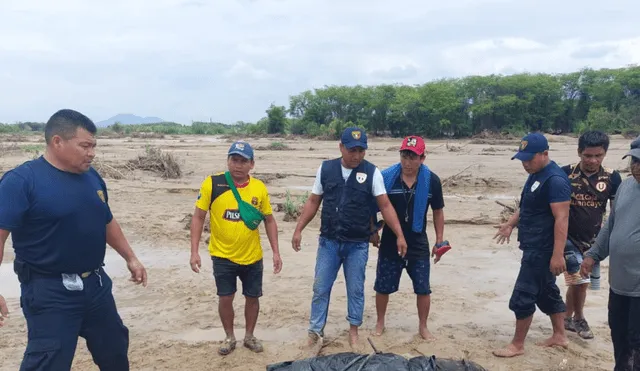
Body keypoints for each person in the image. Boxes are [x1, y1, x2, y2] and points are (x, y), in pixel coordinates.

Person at [0, 109, 148, 371]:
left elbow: (106, 220)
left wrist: (131, 257)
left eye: (94, 146)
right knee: (49, 360)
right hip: (49, 290)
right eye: (85, 146)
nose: (92, 153)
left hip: (96, 285)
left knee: (114, 349)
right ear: (57, 142)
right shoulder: (22, 181)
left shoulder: (91, 176)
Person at [291, 127, 407, 353]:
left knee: (355, 289)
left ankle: (353, 331)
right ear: (341, 147)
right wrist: (298, 229)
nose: (357, 155)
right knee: (320, 287)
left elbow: (385, 205)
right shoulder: (326, 169)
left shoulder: (372, 173)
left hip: (357, 244)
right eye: (352, 150)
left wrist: (400, 235)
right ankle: (315, 332)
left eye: (361, 150)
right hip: (329, 242)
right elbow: (314, 201)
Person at [189, 140, 282, 356]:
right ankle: (229, 337)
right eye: (234, 160)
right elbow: (198, 217)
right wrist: (194, 251)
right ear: (228, 161)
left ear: (252, 164)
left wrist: (276, 252)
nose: (237, 165)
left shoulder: (259, 187)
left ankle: (249, 336)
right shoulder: (212, 184)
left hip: (253, 256)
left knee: (253, 297)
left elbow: (269, 220)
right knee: (225, 297)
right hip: (222, 256)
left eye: (243, 161)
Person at [492, 132, 571, 358]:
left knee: (523, 294)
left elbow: (562, 219)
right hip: (533, 244)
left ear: (545, 154)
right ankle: (560, 335)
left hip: (542, 249)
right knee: (546, 291)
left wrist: (558, 255)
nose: (525, 164)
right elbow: (527, 206)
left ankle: (517, 344)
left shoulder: (555, 180)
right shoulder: (536, 174)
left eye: (529, 159)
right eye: (522, 159)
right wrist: (510, 224)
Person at [370, 135, 447, 341]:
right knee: (382, 286)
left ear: (423, 158)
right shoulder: (387, 178)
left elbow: (438, 211)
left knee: (423, 288)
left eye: (413, 157)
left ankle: (423, 326)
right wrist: (373, 230)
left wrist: (439, 240)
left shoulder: (432, 181)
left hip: (418, 241)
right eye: (404, 155)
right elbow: (372, 206)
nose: (407, 162)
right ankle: (380, 322)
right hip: (389, 240)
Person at [581, 135, 640, 371]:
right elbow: (611, 225)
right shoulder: (626, 186)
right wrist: (593, 254)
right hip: (619, 283)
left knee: (638, 340)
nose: (637, 167)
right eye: (634, 160)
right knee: (619, 333)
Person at [560, 130, 621, 340]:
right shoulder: (565, 174)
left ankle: (567, 317)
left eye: (598, 156)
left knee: (579, 282)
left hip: (594, 241)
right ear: (579, 152)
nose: (593, 161)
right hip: (568, 239)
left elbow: (616, 212)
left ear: (604, 154)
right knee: (580, 282)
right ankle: (579, 317)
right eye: (587, 156)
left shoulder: (612, 177)